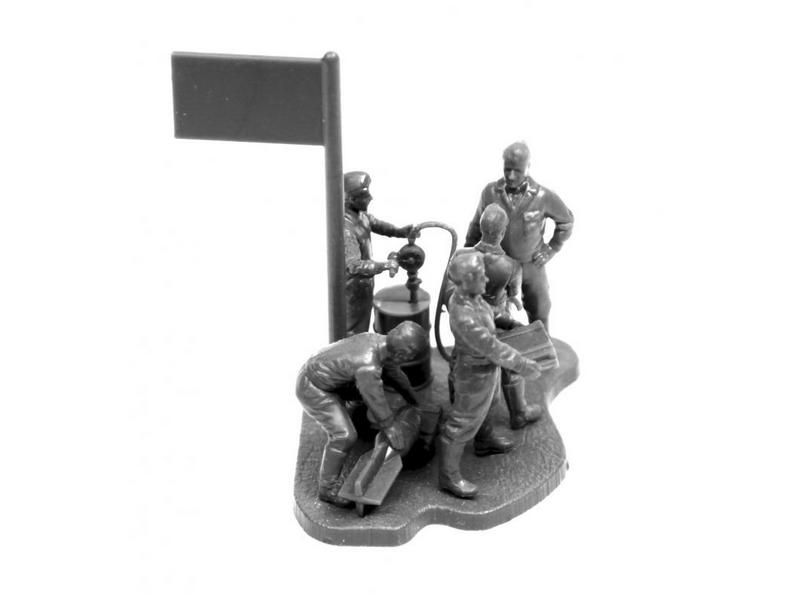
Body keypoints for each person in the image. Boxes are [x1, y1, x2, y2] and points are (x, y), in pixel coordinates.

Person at [437, 252, 542, 499]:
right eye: (480, 276)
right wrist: (523, 364)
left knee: (490, 404)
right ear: (465, 281)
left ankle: (484, 441)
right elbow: (491, 346)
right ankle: (448, 476)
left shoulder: (473, 298)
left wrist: (511, 323)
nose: (486, 279)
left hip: (487, 369)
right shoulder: (463, 315)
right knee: (462, 423)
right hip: (472, 374)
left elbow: (491, 312)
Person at [295, 321, 428, 507]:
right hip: (314, 388)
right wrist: (390, 426)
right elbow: (374, 396)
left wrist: (413, 399)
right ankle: (327, 488)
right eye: (410, 356)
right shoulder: (368, 365)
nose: (409, 359)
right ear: (403, 354)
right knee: (344, 436)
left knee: (375, 396)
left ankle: (357, 418)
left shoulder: (379, 342)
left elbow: (395, 375)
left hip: (332, 379)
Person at [465, 142, 574, 331]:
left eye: (517, 170)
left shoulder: (543, 196)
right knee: (494, 312)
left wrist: (552, 248)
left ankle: (543, 341)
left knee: (539, 307)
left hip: (531, 265)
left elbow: (566, 222)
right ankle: (498, 344)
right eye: (507, 169)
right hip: (498, 265)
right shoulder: (490, 192)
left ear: (528, 167)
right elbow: (476, 225)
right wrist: (469, 255)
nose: (511, 176)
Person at [468, 204, 543, 429]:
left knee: (464, 364)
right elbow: (513, 296)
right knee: (512, 365)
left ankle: (463, 407)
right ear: (502, 232)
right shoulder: (512, 266)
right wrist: (511, 303)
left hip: (469, 321)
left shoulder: (463, 257)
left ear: (482, 228)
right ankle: (519, 413)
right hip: (499, 322)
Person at [344, 171, 413, 336]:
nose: (371, 198)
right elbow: (353, 266)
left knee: (363, 326)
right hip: (352, 291)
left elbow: (379, 225)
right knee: (353, 332)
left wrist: (401, 232)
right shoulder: (346, 229)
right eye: (365, 195)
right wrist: (385, 265)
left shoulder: (361, 216)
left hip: (365, 286)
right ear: (351, 199)